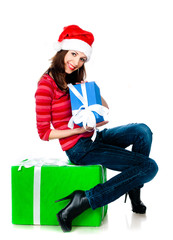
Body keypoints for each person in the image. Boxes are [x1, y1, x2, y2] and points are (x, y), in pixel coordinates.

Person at [35, 25, 158, 232]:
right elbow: (44, 133)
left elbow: (104, 113)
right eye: (73, 54)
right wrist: (77, 131)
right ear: (62, 52)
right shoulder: (46, 86)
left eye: (82, 58)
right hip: (80, 149)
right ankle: (84, 200)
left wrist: (91, 91)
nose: (76, 62)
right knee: (149, 167)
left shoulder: (73, 79)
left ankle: (133, 187)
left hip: (94, 138)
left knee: (142, 131)